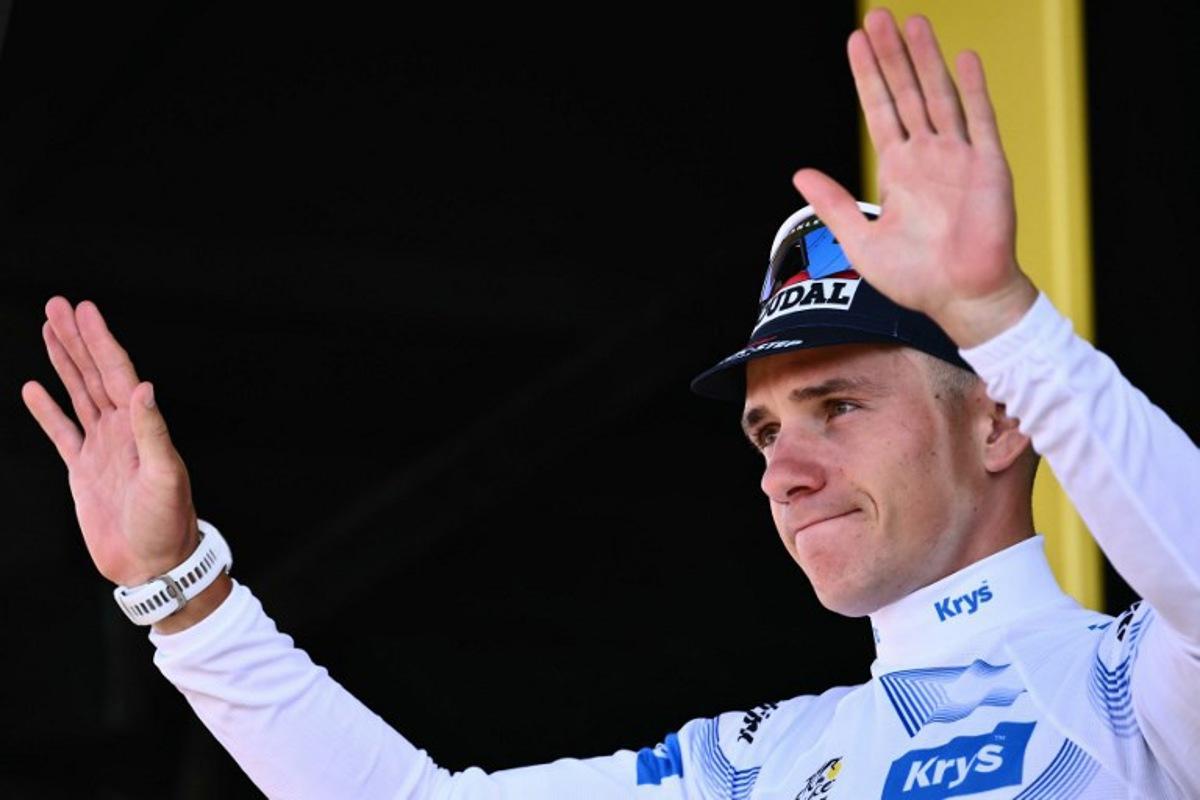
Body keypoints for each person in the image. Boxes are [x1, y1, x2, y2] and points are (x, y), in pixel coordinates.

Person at [21, 8, 1198, 799]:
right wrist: (183, 599)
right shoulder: (752, 761)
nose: (782, 468)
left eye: (837, 405)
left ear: (1000, 418)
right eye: (766, 427)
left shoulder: (1131, 683)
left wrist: (1002, 316)